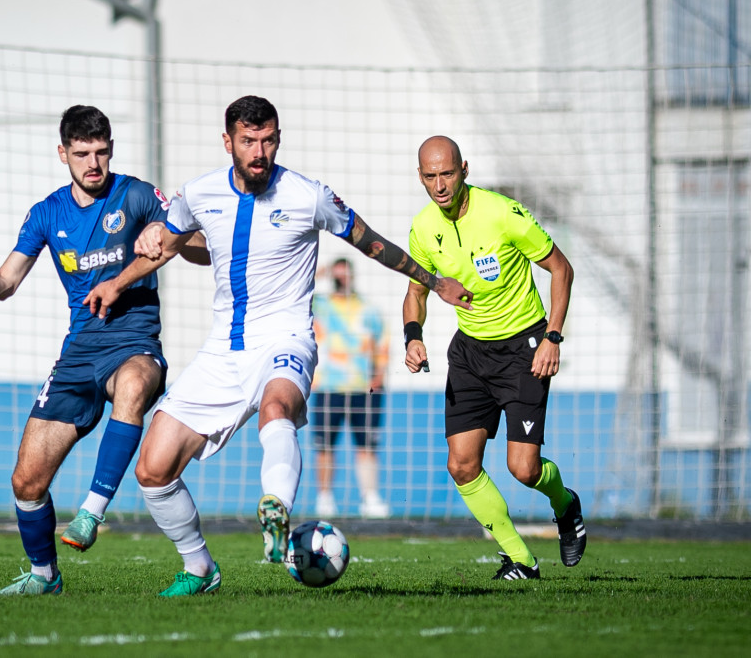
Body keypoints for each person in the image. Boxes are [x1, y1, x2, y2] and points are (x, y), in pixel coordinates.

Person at [85, 96, 473, 596]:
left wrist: (433, 282)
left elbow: (372, 242)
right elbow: (172, 246)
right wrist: (118, 281)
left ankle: (276, 509)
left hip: (286, 339)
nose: (259, 151)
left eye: (268, 140)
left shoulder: (309, 195)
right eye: (248, 141)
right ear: (228, 142)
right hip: (222, 349)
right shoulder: (198, 194)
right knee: (152, 470)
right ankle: (199, 568)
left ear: (278, 139)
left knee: (276, 407)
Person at [0, 105, 207, 596]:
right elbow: (5, 283)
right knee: (26, 482)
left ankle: (92, 512)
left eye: (101, 152)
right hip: (78, 352)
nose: (93, 163)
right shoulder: (47, 213)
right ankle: (44, 576)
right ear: (62, 153)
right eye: (82, 153)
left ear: (111, 150)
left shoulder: (138, 195)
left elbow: (202, 249)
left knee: (133, 385)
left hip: (134, 343)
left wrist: (171, 235)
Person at [403, 135, 586, 580]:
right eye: (431, 176)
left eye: (448, 174)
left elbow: (561, 269)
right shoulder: (423, 228)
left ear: (464, 170)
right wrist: (413, 336)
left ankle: (565, 504)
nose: (440, 185)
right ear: (420, 177)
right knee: (461, 464)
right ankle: (521, 560)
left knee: (523, 469)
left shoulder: (503, 214)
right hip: (470, 354)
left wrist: (553, 337)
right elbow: (416, 292)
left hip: (524, 349)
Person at [310, 258, 391, 519]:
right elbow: (294, 292)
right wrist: (319, 273)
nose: (341, 280)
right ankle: (324, 499)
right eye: (337, 276)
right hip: (328, 387)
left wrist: (379, 376)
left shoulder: (368, 309)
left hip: (363, 388)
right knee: (325, 447)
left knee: (367, 446)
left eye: (345, 275)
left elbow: (382, 344)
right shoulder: (319, 306)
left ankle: (370, 497)